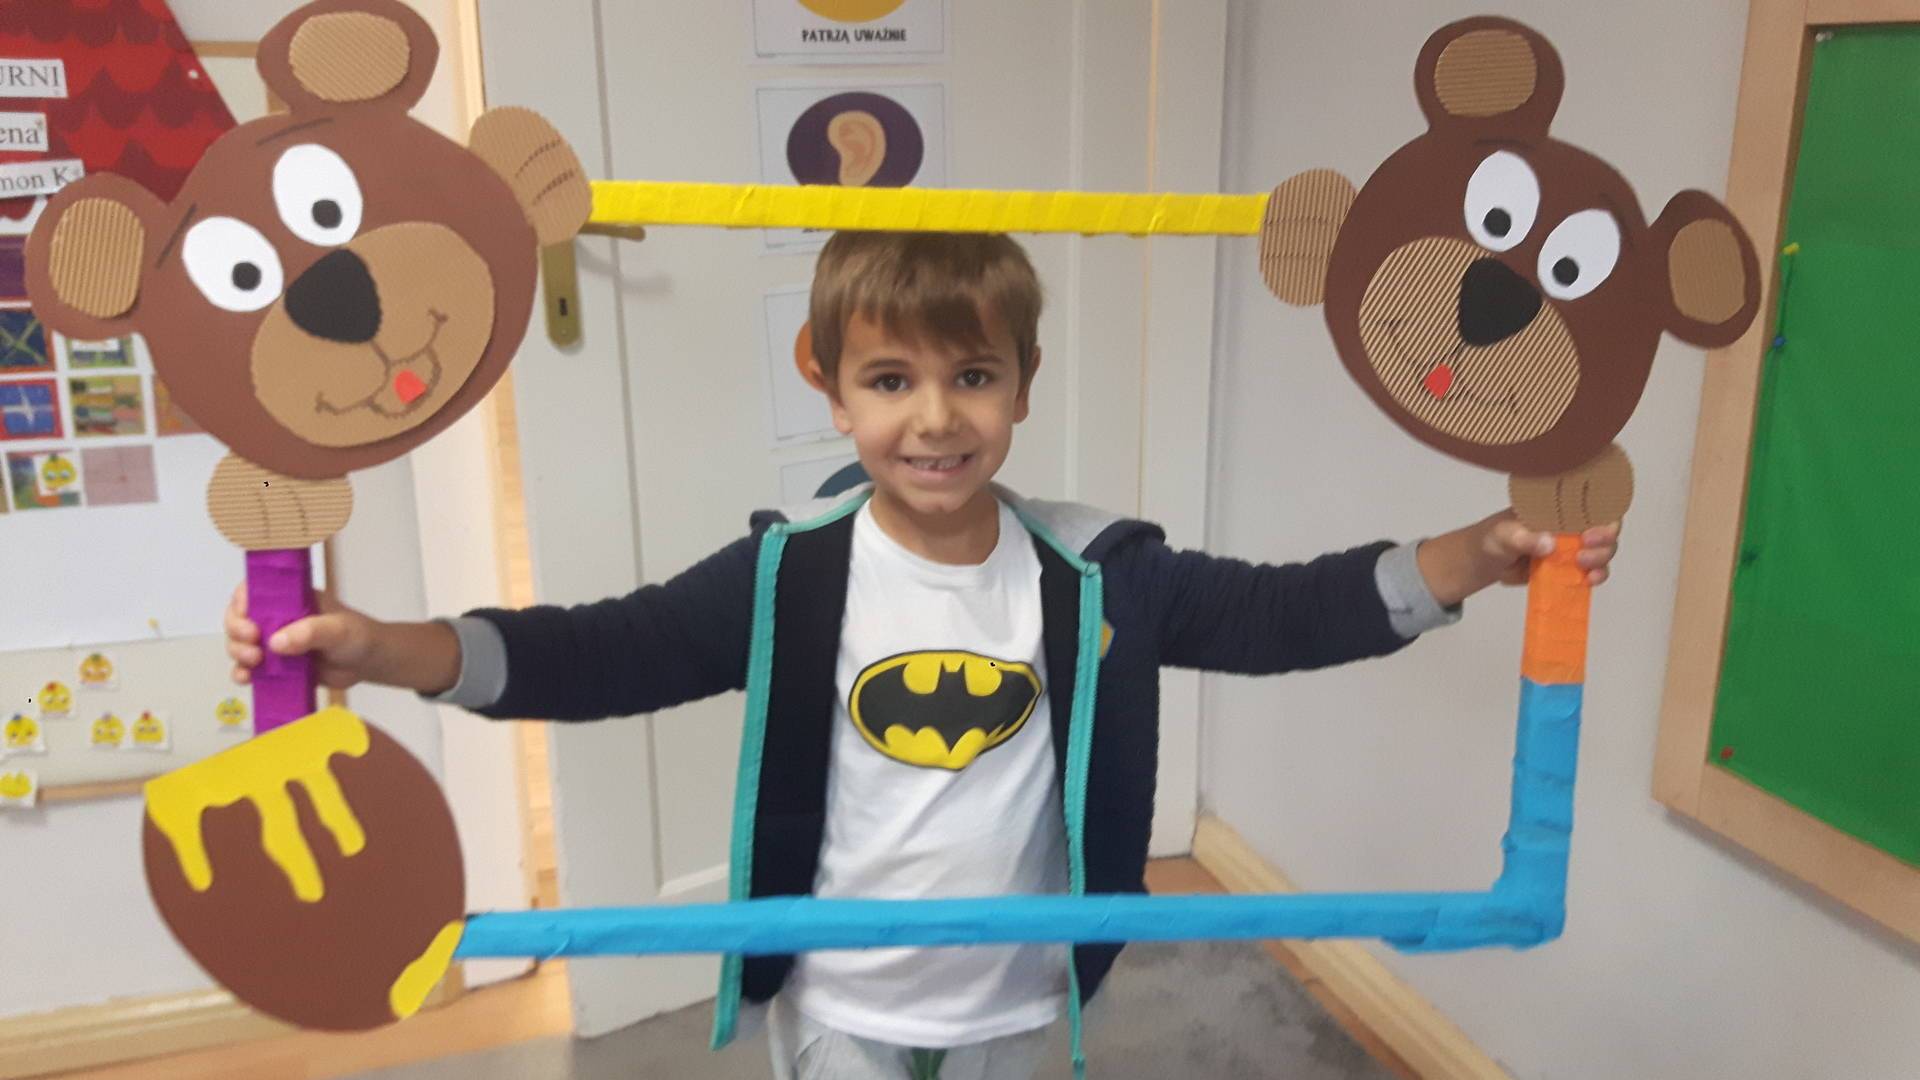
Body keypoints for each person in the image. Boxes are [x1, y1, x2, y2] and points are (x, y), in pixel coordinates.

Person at [225, 230, 1618, 1080]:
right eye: (890, 381)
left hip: (1020, 983)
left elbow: (1281, 615)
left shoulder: (1099, 572)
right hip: (840, 992)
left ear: (1023, 386)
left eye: (973, 377)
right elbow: (600, 655)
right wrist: (383, 650)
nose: (935, 419)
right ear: (829, 389)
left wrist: (1474, 553)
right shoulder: (789, 576)